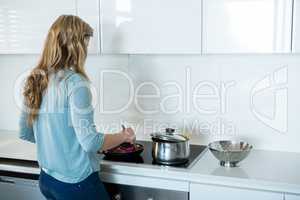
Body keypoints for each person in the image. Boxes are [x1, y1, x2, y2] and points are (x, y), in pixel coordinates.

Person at [18, 15, 135, 200]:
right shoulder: (75, 83)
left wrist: (61, 143)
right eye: (86, 44)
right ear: (76, 46)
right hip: (77, 184)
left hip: (47, 180)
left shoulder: (36, 78)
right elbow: (91, 142)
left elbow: (25, 132)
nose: (86, 50)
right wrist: (124, 136)